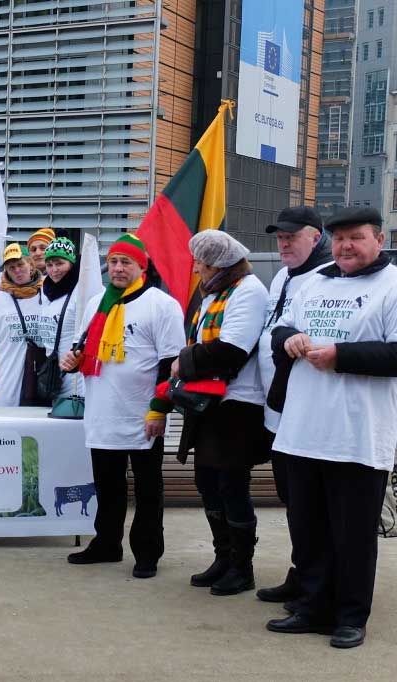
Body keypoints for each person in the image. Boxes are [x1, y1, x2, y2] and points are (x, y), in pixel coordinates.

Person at [266, 207, 397, 649]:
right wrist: (287, 339)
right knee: (308, 529)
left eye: (356, 238)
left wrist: (341, 355)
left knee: (353, 534)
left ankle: (350, 615)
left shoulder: (392, 285)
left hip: (358, 435)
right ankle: (312, 606)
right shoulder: (314, 281)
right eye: (339, 238)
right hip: (303, 430)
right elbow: (279, 328)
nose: (346, 246)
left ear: (378, 240)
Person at [59, 234, 183, 579]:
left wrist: (159, 408)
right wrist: (73, 358)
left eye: (125, 262)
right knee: (107, 484)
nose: (117, 268)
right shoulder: (98, 301)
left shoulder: (161, 304)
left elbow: (172, 362)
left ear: (141, 266)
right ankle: (107, 543)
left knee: (147, 488)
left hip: (143, 414)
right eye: (113, 261)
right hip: (102, 410)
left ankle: (146, 552)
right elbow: (83, 347)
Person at [165, 230, 269, 596]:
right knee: (207, 482)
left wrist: (184, 361)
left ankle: (242, 567)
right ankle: (223, 557)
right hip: (209, 401)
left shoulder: (248, 291)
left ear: (216, 264)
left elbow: (232, 350)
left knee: (231, 485)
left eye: (199, 262)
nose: (194, 267)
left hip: (237, 406)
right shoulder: (214, 291)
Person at [255, 207, 332, 604]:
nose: (283, 243)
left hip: (306, 413)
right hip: (276, 411)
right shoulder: (284, 276)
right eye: (279, 237)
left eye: (291, 236)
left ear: (315, 237)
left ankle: (317, 580)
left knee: (311, 503)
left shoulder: (328, 277)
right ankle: (303, 571)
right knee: (292, 499)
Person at [0, 243, 44, 407]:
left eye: (20, 265)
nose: (17, 271)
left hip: (40, 381)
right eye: (11, 268)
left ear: (31, 266)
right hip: (5, 382)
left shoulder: (47, 294)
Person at [39, 237, 83, 399]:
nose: (54, 270)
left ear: (71, 263)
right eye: (49, 265)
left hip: (77, 380)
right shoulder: (45, 290)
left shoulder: (82, 291)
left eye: (59, 263)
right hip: (53, 377)